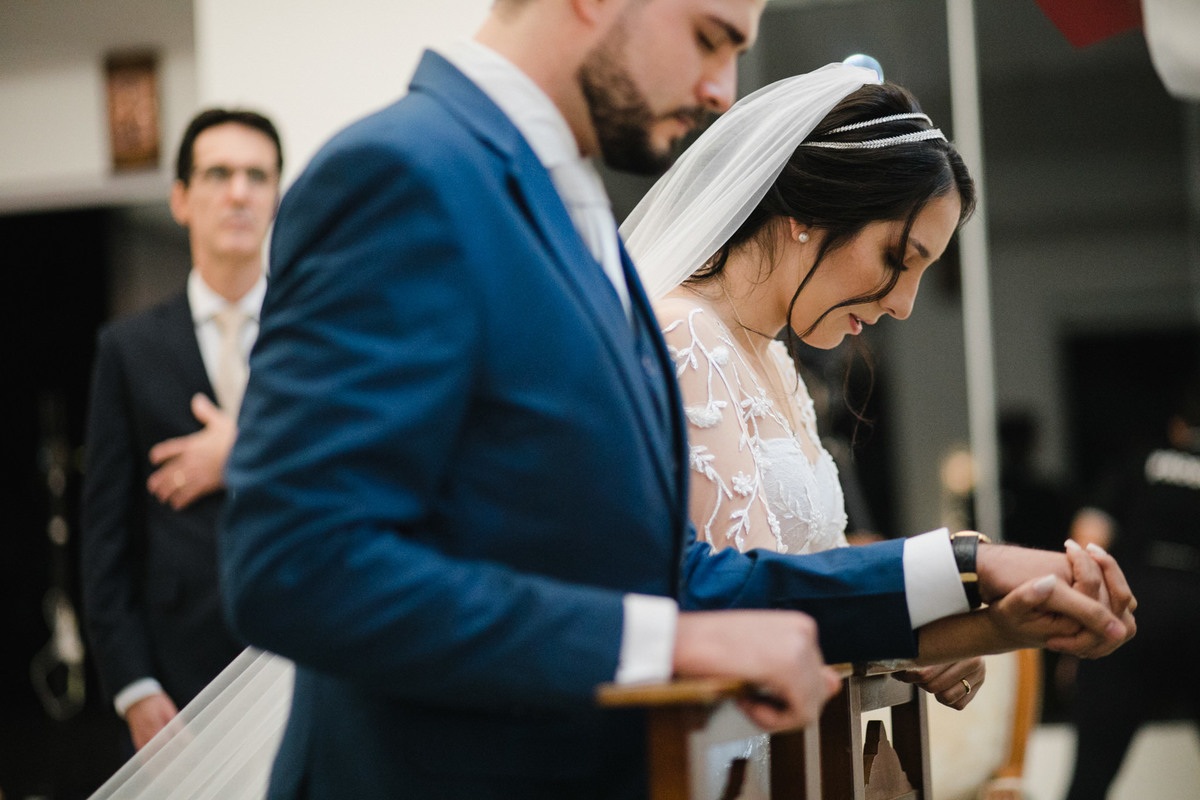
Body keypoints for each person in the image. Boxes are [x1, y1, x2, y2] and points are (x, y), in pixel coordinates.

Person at [212, 2, 1134, 798]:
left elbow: (682, 574)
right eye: (707, 36)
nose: (722, 93)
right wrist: (669, 650)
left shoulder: (581, 227)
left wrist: (965, 569)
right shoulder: (401, 174)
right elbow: (295, 568)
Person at [623, 66, 1079, 799]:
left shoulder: (774, 366)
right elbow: (719, 599)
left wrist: (979, 629)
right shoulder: (682, 338)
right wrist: (958, 572)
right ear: (807, 210)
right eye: (898, 259)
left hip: (801, 752)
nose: (904, 303)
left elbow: (818, 595)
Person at [80, 107, 282, 751]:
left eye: (258, 175)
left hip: (308, 643)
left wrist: (241, 453)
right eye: (218, 173)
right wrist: (133, 684)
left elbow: (363, 468)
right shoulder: (127, 348)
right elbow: (104, 532)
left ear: (279, 194)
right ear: (180, 198)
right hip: (178, 672)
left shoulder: (320, 332)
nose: (239, 192)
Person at [1063, 384, 1200, 799]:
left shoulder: (1139, 460)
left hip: (1133, 613)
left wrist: (1077, 629)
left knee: (1091, 777)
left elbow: (1089, 538)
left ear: (1177, 428)